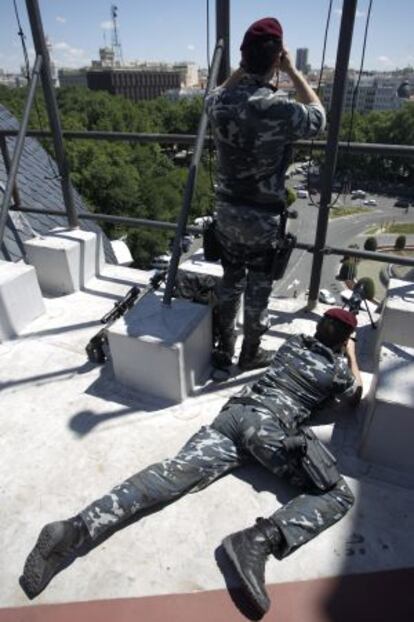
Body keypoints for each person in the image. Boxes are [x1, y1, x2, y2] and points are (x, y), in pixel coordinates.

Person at [20, 308, 362, 614]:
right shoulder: (335, 370)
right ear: (344, 339)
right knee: (338, 494)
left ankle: (76, 527)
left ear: (318, 327)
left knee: (170, 475)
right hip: (268, 429)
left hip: (233, 416)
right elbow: (354, 396)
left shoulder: (292, 345)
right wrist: (351, 354)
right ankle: (256, 541)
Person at [206, 17, 326, 371]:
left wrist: (242, 71)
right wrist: (290, 70)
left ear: (243, 59)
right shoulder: (281, 109)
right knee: (258, 286)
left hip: (227, 213)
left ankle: (223, 347)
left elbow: (215, 94)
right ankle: (250, 351)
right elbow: (318, 116)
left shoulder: (219, 103)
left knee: (230, 279)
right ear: (275, 59)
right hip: (262, 217)